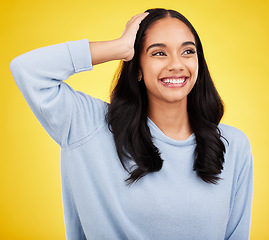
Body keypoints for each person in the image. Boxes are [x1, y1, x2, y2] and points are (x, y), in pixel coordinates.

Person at [10, 8, 253, 240]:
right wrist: (120, 48)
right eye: (159, 52)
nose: (177, 64)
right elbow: (27, 70)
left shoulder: (233, 146)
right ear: (137, 67)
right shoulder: (90, 127)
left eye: (188, 51)